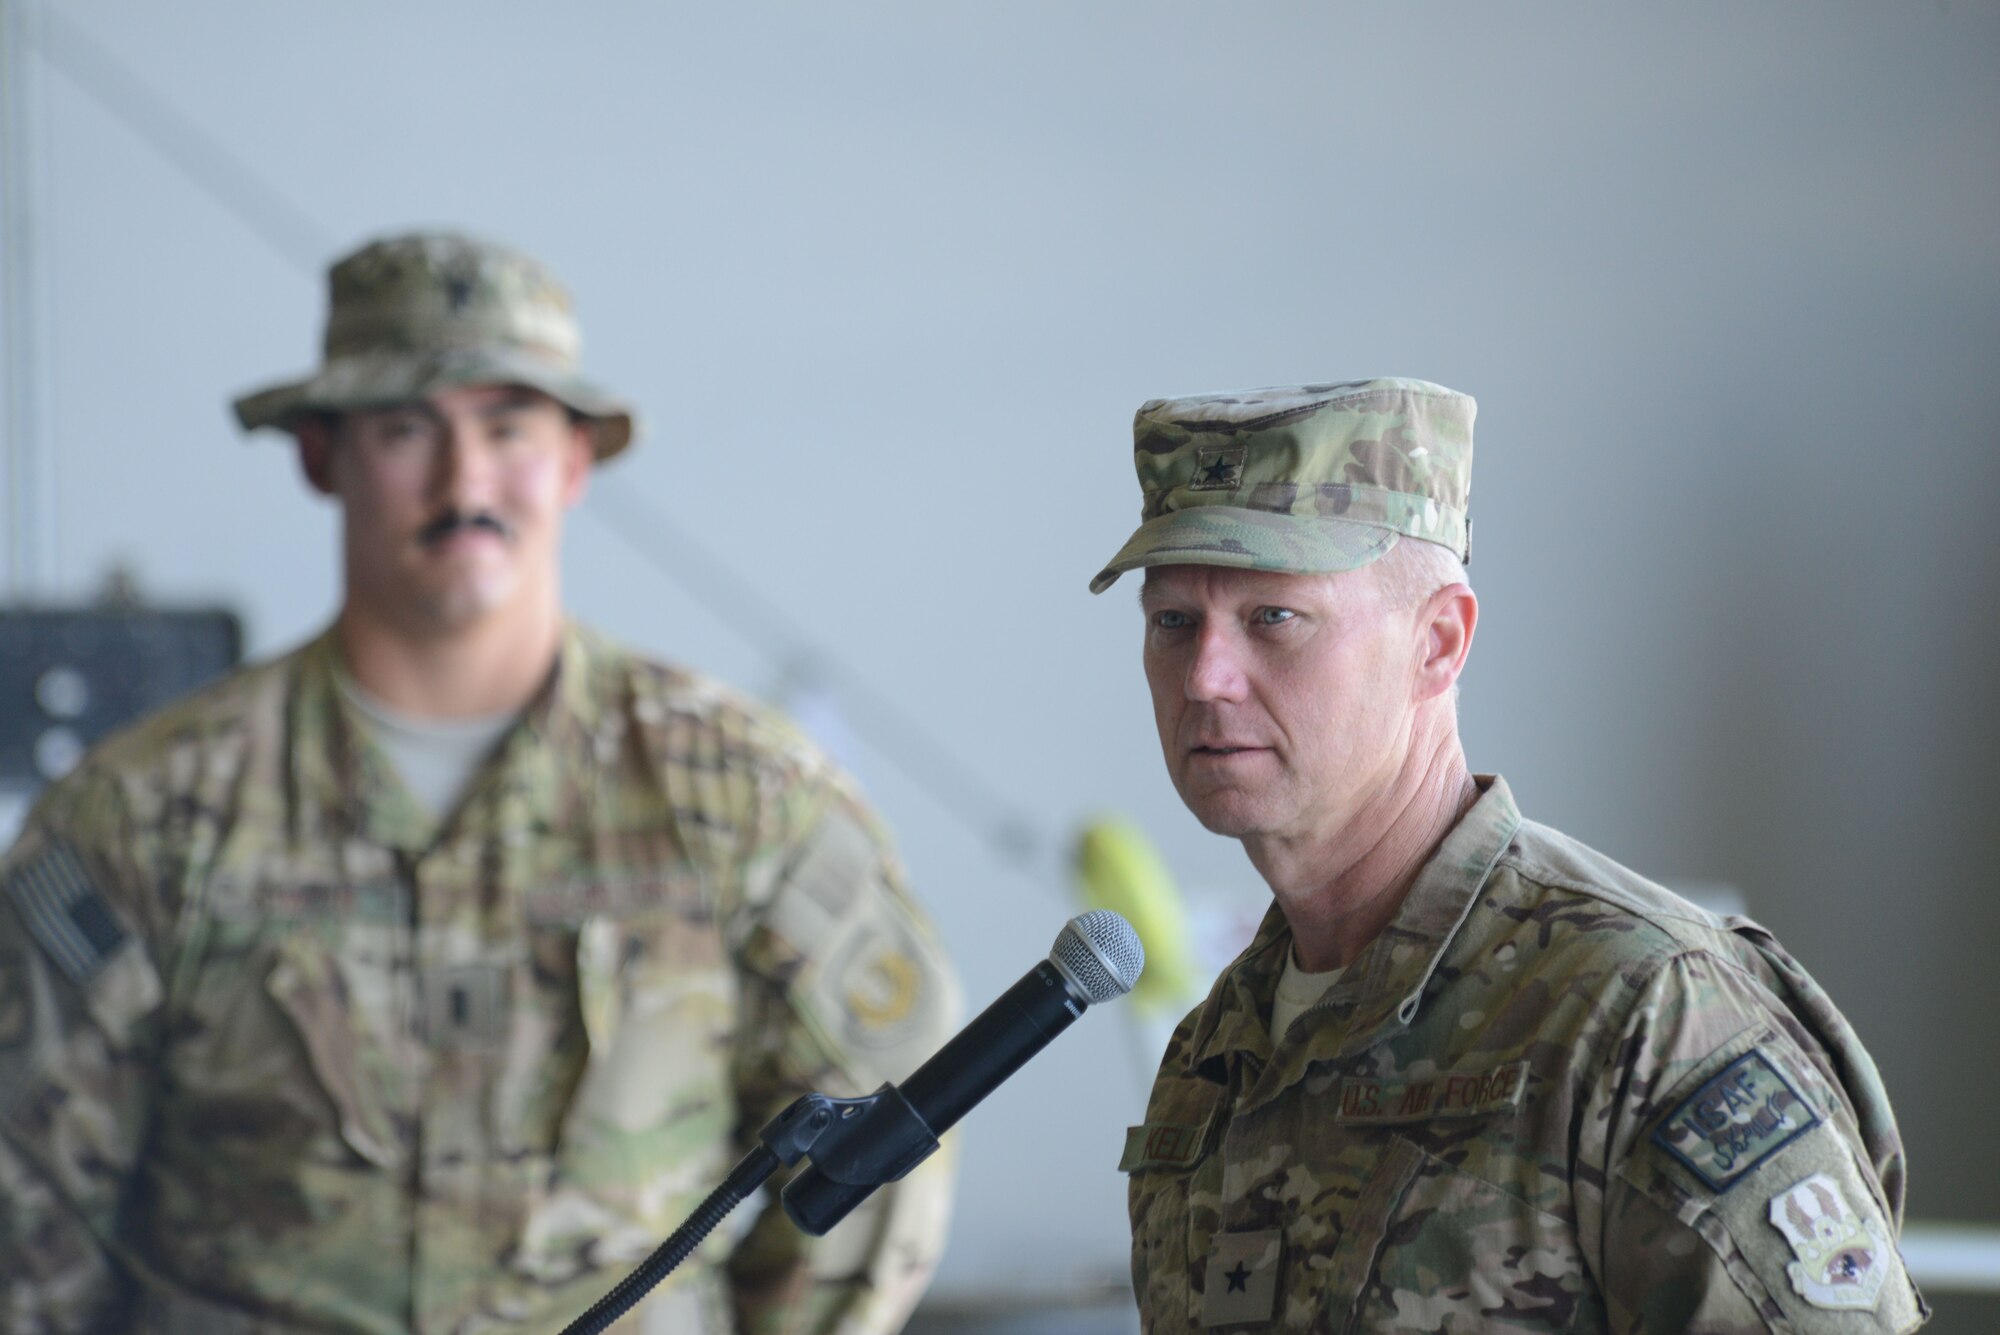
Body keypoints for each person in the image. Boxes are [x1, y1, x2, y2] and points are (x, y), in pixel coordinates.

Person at [0, 232, 959, 1334]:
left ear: (573, 459)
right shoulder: (146, 815)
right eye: (409, 430)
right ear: (321, 456)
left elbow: (875, 1150)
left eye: (506, 426)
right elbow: (32, 1213)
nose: (465, 483)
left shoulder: (742, 800)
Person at [1094, 379, 1926, 1332]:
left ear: (1438, 643)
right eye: (1173, 621)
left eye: (1273, 616)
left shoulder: (1644, 1014)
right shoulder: (1217, 1051)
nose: (1204, 675)